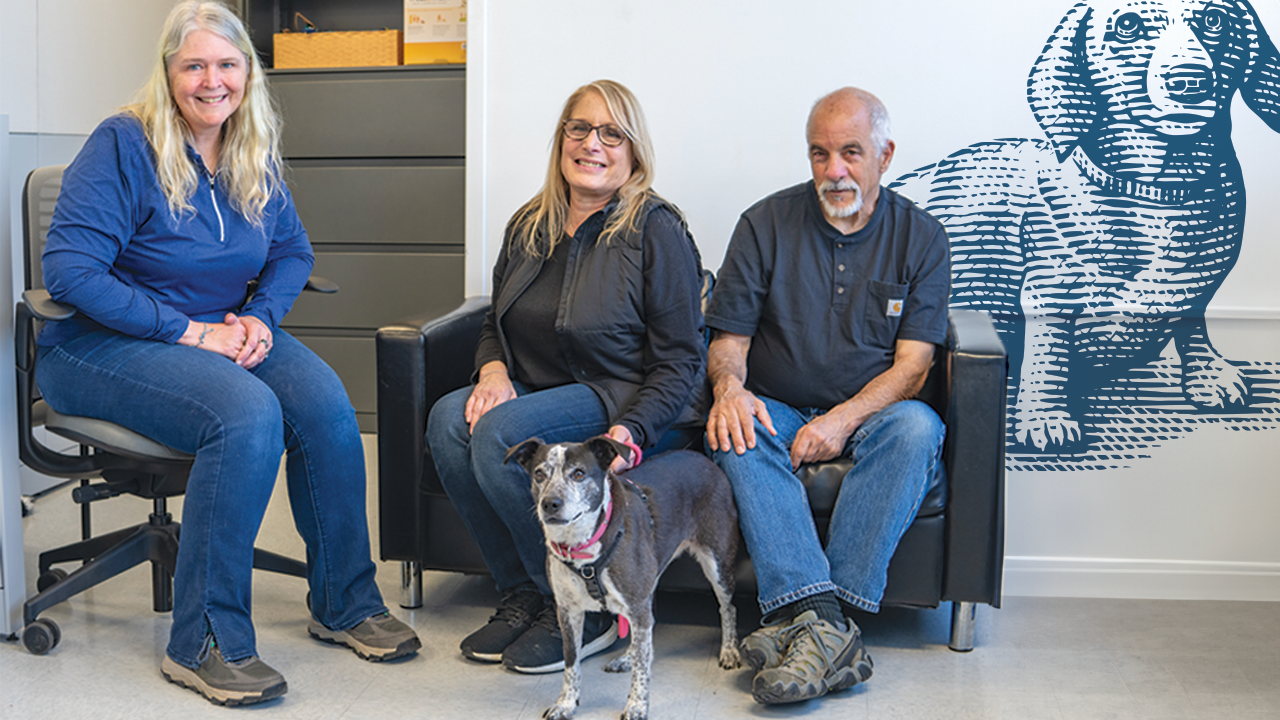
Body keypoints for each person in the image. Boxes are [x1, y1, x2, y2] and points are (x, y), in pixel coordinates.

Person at [36, 1, 419, 706]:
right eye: (194, 65)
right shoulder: (125, 143)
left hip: (222, 330)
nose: (212, 81)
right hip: (98, 346)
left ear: (248, 73)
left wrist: (261, 319)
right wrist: (192, 332)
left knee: (325, 405)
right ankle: (203, 642)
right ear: (168, 72)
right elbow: (70, 273)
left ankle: (345, 603)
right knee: (245, 414)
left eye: (227, 64)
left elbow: (291, 251)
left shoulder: (249, 145)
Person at [426, 80, 707, 674]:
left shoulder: (656, 229)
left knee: (499, 433)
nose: (591, 144)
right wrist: (493, 369)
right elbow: (494, 322)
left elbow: (682, 360)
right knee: (449, 420)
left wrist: (633, 431)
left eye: (611, 133)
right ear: (561, 140)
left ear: (634, 150)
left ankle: (591, 607)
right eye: (578, 128)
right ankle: (525, 592)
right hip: (540, 389)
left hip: (622, 395)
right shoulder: (530, 224)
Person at [704, 87, 950, 705]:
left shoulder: (922, 236)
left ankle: (807, 624)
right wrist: (730, 390)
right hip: (779, 405)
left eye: (851, 153)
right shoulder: (763, 224)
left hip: (871, 414)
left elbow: (914, 367)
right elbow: (728, 342)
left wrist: (841, 420)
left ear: (885, 156)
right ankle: (829, 626)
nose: (834, 170)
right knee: (735, 431)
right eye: (820, 153)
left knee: (918, 427)